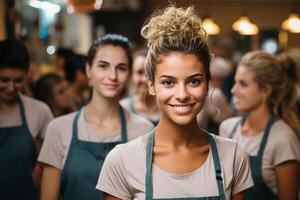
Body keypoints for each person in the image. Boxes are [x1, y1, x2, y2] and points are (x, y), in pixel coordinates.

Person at [96, 6, 253, 200]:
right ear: (151, 85)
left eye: (194, 81)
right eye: (168, 82)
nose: (182, 94)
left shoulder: (233, 156)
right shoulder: (122, 161)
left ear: (207, 83)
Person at [38, 34, 154, 200]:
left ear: (128, 74)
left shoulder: (144, 130)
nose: (112, 76)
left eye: (121, 68)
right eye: (103, 66)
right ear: (88, 70)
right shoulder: (59, 128)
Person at [219, 50, 300, 200]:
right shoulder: (227, 129)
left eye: (243, 84)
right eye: (235, 82)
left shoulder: (283, 139)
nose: (233, 90)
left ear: (265, 90)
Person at [0, 38, 53, 200]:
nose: (11, 88)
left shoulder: (39, 111)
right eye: (4, 80)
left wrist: (39, 169)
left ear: (27, 75)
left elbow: (54, 155)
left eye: (18, 81)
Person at [120, 48, 160, 125]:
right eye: (139, 72)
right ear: (131, 75)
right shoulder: (122, 108)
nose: (145, 79)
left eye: (150, 72)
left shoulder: (167, 107)